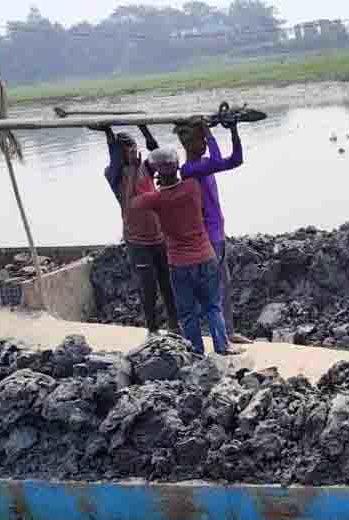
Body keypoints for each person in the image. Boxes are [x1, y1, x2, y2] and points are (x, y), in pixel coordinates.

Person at [131, 148, 241, 356]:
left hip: (179, 263)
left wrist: (143, 168)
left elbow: (136, 201)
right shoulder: (192, 187)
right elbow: (194, 169)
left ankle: (196, 351)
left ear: (157, 176)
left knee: (188, 313)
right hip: (205, 256)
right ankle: (222, 346)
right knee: (212, 306)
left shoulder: (157, 199)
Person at [98, 124, 180, 335]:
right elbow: (129, 200)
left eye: (134, 146)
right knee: (148, 287)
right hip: (137, 241)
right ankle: (152, 330)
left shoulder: (145, 166)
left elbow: (160, 155)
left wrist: (144, 129)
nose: (133, 151)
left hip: (158, 236)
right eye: (128, 149)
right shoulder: (114, 174)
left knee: (167, 284)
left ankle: (174, 324)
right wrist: (109, 134)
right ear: (119, 153)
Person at [176, 117, 251, 345]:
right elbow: (218, 159)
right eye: (202, 141)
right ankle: (218, 336)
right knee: (213, 288)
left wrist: (234, 131)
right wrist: (209, 132)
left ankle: (227, 331)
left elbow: (236, 160)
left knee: (222, 284)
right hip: (208, 237)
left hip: (218, 233)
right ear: (189, 145)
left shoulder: (205, 164)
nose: (206, 144)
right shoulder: (189, 169)